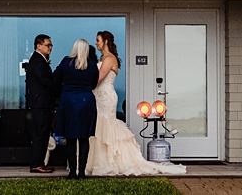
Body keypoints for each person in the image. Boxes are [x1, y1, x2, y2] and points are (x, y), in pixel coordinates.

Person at [87, 31, 185, 176]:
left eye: (98, 40)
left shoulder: (109, 58)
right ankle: (98, 162)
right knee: (99, 127)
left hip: (105, 97)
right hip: (99, 96)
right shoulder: (103, 58)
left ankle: (109, 162)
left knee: (105, 126)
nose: (96, 43)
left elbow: (99, 79)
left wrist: (81, 84)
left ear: (106, 41)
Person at [53, 39, 99, 179]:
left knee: (70, 137)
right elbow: (93, 84)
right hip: (86, 101)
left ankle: (72, 171)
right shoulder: (91, 65)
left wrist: (65, 89)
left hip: (68, 100)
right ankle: (82, 172)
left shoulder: (66, 62)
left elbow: (56, 80)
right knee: (84, 138)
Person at [24, 34, 58, 173]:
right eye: (47, 45)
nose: (50, 48)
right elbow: (47, 82)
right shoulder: (38, 61)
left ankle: (39, 163)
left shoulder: (40, 60)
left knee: (43, 133)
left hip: (41, 103)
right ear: (38, 46)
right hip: (40, 104)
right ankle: (36, 164)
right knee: (40, 133)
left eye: (51, 45)